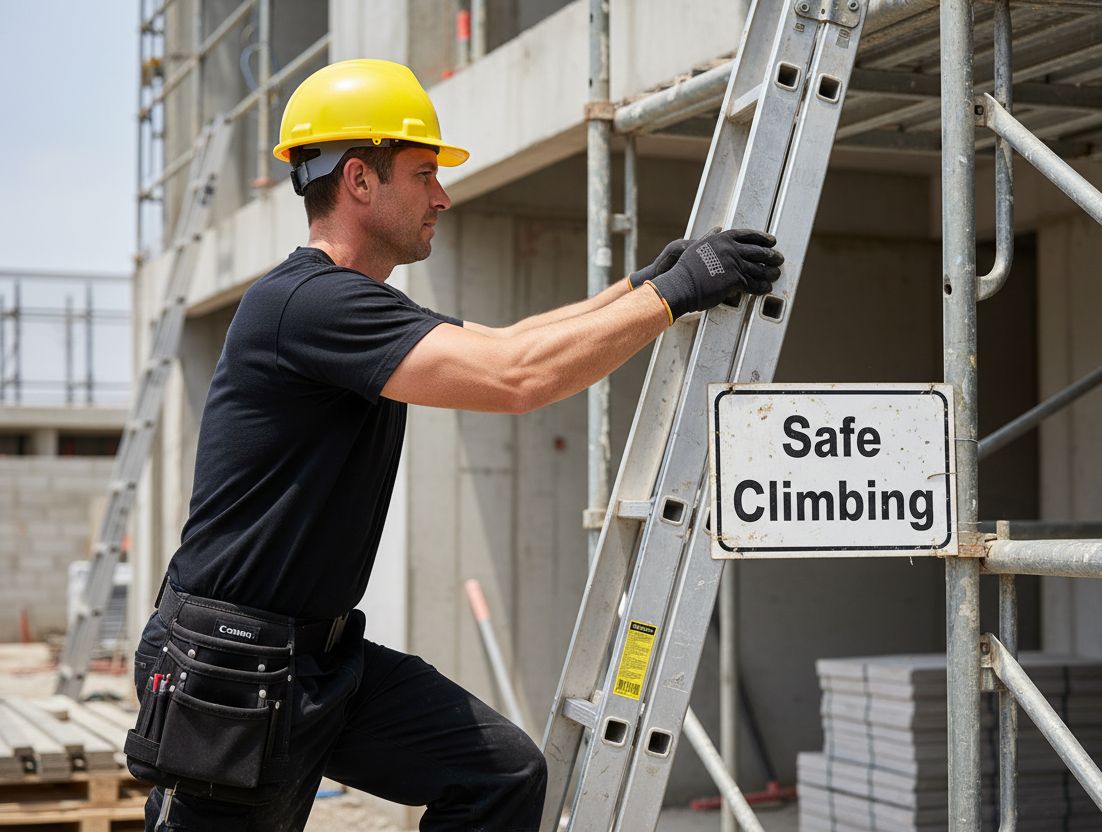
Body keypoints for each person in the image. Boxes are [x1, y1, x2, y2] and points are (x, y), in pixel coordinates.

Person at [125, 58, 783, 831]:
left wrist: (639, 288)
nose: (441, 195)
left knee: (499, 775)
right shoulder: (308, 304)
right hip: (232, 669)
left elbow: (507, 341)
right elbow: (518, 378)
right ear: (359, 181)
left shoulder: (355, 305)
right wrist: (675, 297)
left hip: (322, 658)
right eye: (423, 172)